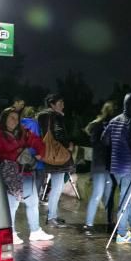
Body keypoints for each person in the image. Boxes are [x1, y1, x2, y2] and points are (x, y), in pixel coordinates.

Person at [0, 107, 54, 244]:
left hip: (25, 173)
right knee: (12, 205)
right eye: (11, 118)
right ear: (4, 118)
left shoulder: (22, 132)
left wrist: (39, 154)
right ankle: (11, 233)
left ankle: (35, 231)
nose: (14, 121)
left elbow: (37, 142)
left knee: (33, 202)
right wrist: (18, 154)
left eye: (16, 119)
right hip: (10, 175)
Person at [103, 92, 131, 243]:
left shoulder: (114, 120)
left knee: (127, 198)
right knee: (125, 200)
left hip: (115, 167)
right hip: (129, 167)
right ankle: (121, 234)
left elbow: (105, 140)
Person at [36, 93, 75, 228]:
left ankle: (53, 215)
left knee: (55, 186)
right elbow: (58, 133)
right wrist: (67, 146)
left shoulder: (42, 116)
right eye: (60, 103)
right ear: (52, 104)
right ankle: (52, 217)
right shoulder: (55, 116)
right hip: (57, 154)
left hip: (47, 153)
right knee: (57, 187)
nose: (63, 106)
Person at [83, 101, 116, 236]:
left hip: (101, 165)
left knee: (102, 195)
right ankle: (93, 223)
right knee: (102, 195)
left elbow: (93, 140)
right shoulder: (106, 125)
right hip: (105, 165)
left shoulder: (98, 125)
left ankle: (97, 223)